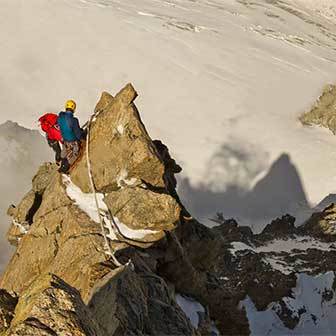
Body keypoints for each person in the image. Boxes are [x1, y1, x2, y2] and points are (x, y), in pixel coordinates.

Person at [153, 140, 192, 221]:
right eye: (165, 151)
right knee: (174, 197)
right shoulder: (166, 159)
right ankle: (182, 214)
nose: (166, 152)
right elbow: (177, 168)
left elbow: (178, 169)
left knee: (173, 197)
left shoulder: (163, 159)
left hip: (167, 182)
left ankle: (181, 214)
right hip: (167, 182)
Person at [57, 100, 86, 173]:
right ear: (73, 109)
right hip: (72, 141)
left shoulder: (60, 118)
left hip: (65, 140)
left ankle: (62, 162)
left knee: (65, 151)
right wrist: (83, 137)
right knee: (75, 154)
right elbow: (78, 134)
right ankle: (65, 167)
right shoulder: (74, 120)